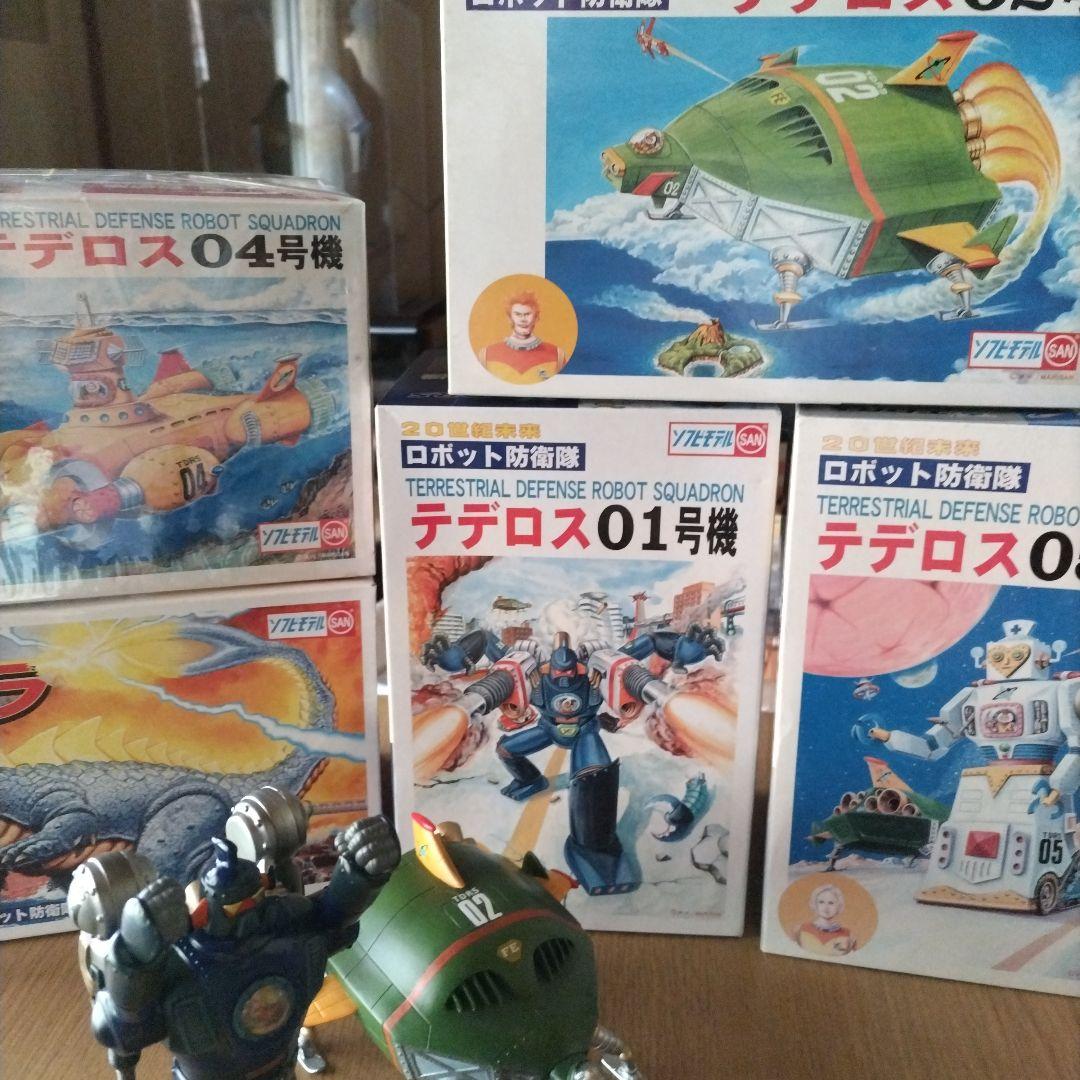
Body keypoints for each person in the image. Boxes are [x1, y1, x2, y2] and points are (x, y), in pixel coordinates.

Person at [478, 290, 567, 384]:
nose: (523, 319)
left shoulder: (557, 355)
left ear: (536, 318)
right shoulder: (487, 355)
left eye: (527, 314)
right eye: (518, 314)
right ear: (509, 318)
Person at [794, 883, 856, 956]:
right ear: (815, 904)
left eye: (831, 903)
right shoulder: (801, 929)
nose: (826, 907)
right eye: (821, 902)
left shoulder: (848, 935)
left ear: (839, 906)